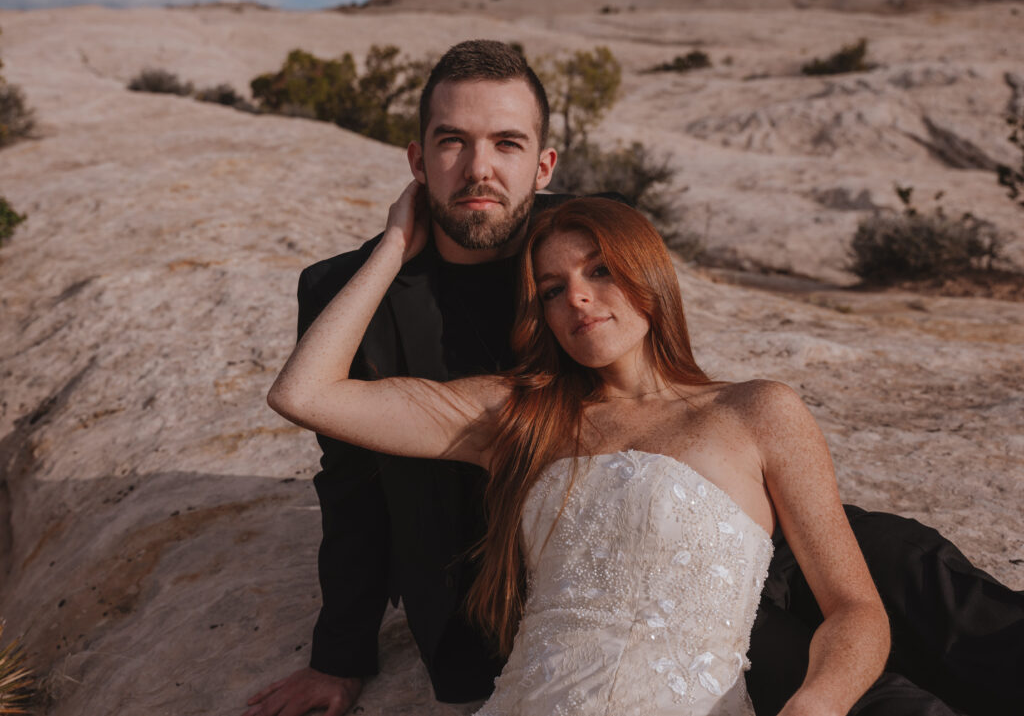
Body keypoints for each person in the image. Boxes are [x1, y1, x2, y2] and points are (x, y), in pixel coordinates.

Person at [244, 40, 1024, 716]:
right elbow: (345, 476)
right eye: (452, 142)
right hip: (562, 568)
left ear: (543, 161)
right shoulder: (348, 292)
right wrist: (339, 653)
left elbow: (660, 385)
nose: (480, 168)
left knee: (906, 561)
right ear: (418, 160)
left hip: (692, 505)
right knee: (854, 683)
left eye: (507, 143)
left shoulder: (582, 236)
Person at [266, 187, 892, 715]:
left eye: (599, 270)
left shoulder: (758, 411)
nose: (578, 299)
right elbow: (305, 392)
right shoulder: (518, 415)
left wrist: (817, 704)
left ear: (647, 272)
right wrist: (394, 247)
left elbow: (856, 609)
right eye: (551, 290)